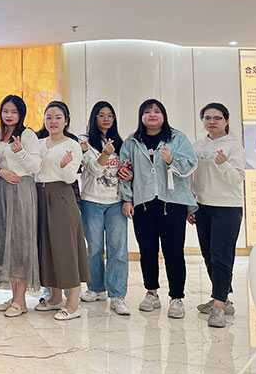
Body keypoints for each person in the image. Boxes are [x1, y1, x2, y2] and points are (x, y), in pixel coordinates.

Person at [120, 98, 197, 319]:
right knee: (147, 251)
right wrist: (127, 199)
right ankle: (151, 292)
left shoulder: (177, 138)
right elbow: (124, 172)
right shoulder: (132, 142)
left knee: (174, 251)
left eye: (156, 111)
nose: (152, 115)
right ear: (141, 116)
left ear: (163, 115)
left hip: (172, 203)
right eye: (147, 111)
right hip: (143, 203)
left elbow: (190, 165)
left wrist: (171, 159)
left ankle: (176, 297)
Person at [192, 102, 245, 328]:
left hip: (227, 208)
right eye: (207, 118)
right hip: (203, 207)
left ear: (226, 121)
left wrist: (223, 164)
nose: (212, 122)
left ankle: (219, 307)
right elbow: (193, 177)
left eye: (217, 118)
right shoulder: (198, 145)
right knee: (208, 255)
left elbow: (237, 178)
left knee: (221, 255)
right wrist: (191, 205)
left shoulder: (234, 146)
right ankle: (222, 297)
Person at [0, 95, 41, 318]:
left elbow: (36, 166)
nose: (8, 115)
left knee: (20, 243)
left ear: (21, 114)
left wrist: (20, 152)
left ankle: (20, 300)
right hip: (1, 189)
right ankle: (14, 296)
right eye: (5, 111)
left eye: (13, 112)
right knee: (5, 241)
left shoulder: (28, 135)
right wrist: (0, 172)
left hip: (21, 190)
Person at [35, 101, 87, 321]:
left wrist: (64, 165)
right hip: (40, 196)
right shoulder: (38, 143)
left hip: (62, 196)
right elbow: (33, 170)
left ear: (66, 121)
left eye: (58, 117)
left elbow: (69, 178)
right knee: (47, 247)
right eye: (49, 117)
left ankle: (73, 303)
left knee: (66, 248)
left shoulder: (72, 145)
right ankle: (55, 298)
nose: (53, 121)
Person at [79, 101, 131, 316]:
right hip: (91, 201)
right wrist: (105, 154)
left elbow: (127, 171)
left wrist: (129, 176)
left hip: (116, 202)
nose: (106, 119)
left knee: (118, 249)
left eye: (110, 115)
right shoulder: (84, 141)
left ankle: (117, 295)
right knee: (94, 248)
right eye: (101, 115)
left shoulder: (122, 143)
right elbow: (94, 170)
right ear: (94, 118)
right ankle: (95, 288)